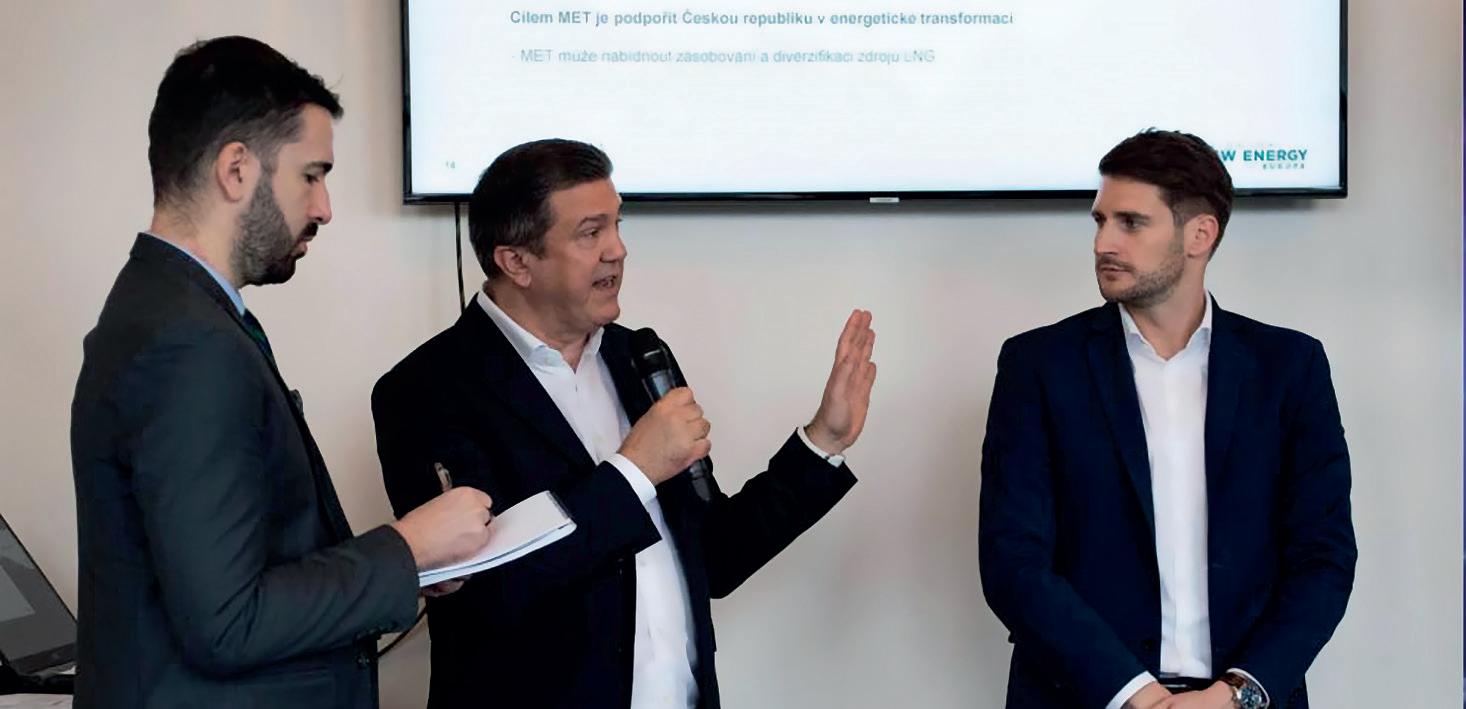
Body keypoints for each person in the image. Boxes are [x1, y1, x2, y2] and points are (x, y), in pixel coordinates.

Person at [372, 138, 877, 709]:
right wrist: (634, 470)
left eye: (617, 225)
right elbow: (489, 591)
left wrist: (823, 441)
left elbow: (712, 558)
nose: (618, 249)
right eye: (591, 233)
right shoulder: (425, 389)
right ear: (516, 262)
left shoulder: (638, 357)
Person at [70, 36, 492, 708]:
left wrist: (410, 565)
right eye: (311, 175)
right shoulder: (189, 343)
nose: (324, 207)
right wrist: (407, 547)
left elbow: (233, 578)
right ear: (237, 170)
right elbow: (228, 622)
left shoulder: (170, 311)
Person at [978, 130, 1356, 709]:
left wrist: (1237, 693)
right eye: (1100, 221)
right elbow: (1013, 561)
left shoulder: (1289, 367)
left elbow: (1323, 558)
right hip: (1082, 698)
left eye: (1131, 223)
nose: (1104, 242)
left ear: (1200, 234)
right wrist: (1134, 693)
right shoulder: (1039, 365)